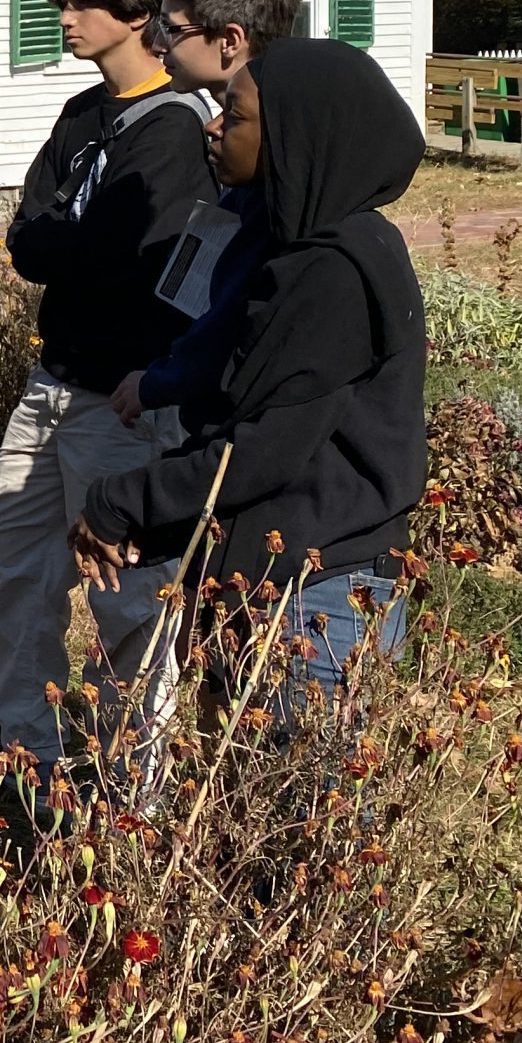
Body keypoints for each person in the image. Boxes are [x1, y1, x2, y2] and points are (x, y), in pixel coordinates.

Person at [75, 40, 427, 710]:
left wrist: (122, 502)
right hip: (272, 578)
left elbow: (264, 448)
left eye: (234, 117)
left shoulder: (333, 272)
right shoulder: (296, 248)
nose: (212, 127)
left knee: (305, 805)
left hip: (315, 600)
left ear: (296, 137)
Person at [0, 0, 217, 773]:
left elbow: (136, 259)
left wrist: (64, 243)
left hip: (121, 398)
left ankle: (131, 785)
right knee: (14, 572)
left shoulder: (178, 129)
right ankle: (30, 758)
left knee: (124, 597)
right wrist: (65, 242)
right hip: (53, 378)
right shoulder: (83, 114)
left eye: (83, 4)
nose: (66, 18)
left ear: (138, 16)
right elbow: (32, 237)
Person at [109, 0, 304, 431]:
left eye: (172, 30)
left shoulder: (280, 171)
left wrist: (163, 381)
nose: (157, 45)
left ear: (230, 41)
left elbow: (243, 311)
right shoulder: (235, 160)